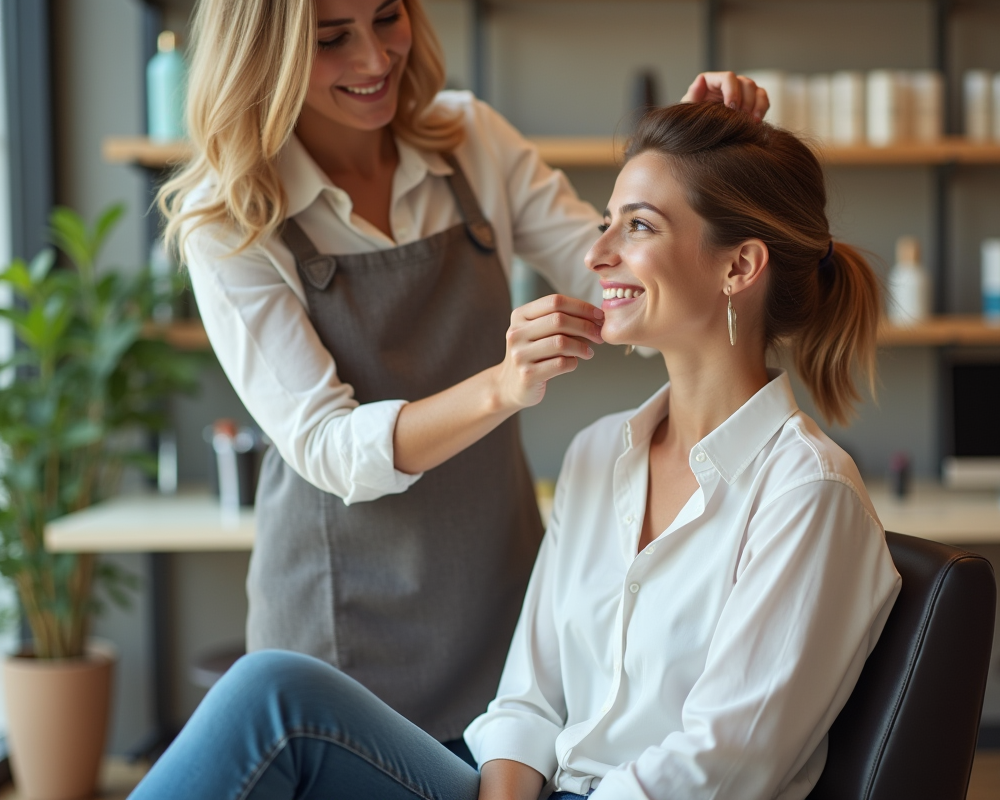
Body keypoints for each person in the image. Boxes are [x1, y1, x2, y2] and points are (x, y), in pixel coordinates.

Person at [133, 101, 902, 800]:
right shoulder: (600, 454)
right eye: (607, 220)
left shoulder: (807, 493)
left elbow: (724, 763)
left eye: (636, 226)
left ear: (739, 266)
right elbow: (528, 701)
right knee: (273, 693)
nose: (596, 252)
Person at [162, 0, 771, 756]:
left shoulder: (472, 139)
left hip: (498, 608)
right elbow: (324, 444)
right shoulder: (229, 216)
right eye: (331, 39)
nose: (376, 59)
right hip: (342, 625)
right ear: (262, 54)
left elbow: (618, 281)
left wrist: (694, 157)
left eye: (388, 18)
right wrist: (502, 387)